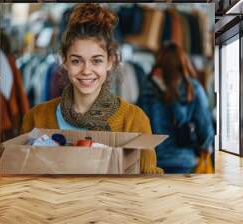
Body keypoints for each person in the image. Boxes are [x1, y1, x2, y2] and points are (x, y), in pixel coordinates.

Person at [21, 3, 163, 174]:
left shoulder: (134, 121)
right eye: (76, 61)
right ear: (64, 61)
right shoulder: (36, 118)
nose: (86, 71)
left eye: (96, 60)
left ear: (110, 61)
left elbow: (148, 184)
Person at [138, 42, 214, 173]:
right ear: (182, 62)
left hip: (152, 163)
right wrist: (205, 147)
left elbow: (138, 127)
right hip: (184, 162)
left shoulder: (146, 87)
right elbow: (205, 129)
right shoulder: (192, 88)